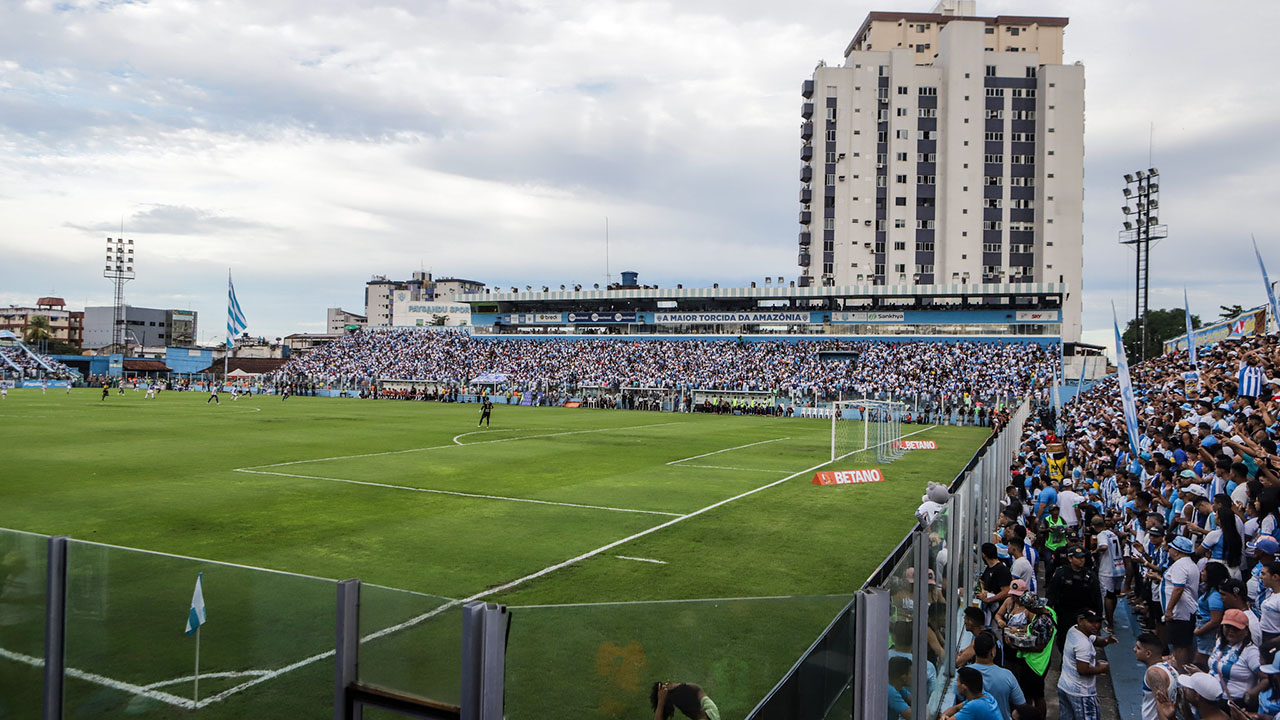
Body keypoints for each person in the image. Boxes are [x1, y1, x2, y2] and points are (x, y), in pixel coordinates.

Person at [1003, 592, 1056, 719]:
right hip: (1039, 662)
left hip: (1036, 664)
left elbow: (1039, 647)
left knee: (1036, 696)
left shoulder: (1043, 622)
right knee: (1032, 694)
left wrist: (1016, 645)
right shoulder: (1048, 612)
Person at [1058, 609, 1115, 720]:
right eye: (1091, 622)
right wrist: (1101, 668)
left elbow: (1095, 639)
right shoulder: (1083, 644)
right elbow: (1083, 670)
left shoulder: (1074, 630)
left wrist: (1106, 641)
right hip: (1081, 694)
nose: (1096, 625)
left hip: (1064, 687)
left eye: (1098, 622)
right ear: (1080, 620)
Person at [1047, 545, 1102, 649]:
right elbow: (1051, 593)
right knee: (1063, 642)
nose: (1082, 560)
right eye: (1078, 557)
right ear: (1070, 559)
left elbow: (1097, 598)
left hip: (1084, 616)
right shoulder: (1061, 573)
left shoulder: (1090, 575)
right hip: (1065, 614)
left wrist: (1098, 619)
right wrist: (1048, 613)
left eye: (1083, 557)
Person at [1206, 609, 1261, 709]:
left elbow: (1266, 678)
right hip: (1212, 698)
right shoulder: (1220, 642)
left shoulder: (1251, 652)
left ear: (1246, 631)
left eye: (1236, 628)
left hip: (1233, 704)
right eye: (1227, 626)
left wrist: (1252, 693)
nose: (1231, 631)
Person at [966, 630, 1025, 718]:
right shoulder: (1007, 676)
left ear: (974, 650)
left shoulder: (964, 675)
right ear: (993, 652)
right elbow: (1021, 705)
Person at [1164, 535, 1202, 667]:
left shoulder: (1180, 565)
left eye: (1171, 548)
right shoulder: (1189, 564)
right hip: (1185, 610)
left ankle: (1181, 671)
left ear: (1176, 551)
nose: (1169, 550)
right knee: (1183, 644)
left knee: (1180, 645)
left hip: (1180, 611)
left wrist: (1169, 609)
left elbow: (1178, 589)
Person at [1135, 632, 1180, 720]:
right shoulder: (1170, 668)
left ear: (1148, 654)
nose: (1134, 649)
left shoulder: (1153, 673)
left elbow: (1163, 709)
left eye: (1138, 648)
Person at [1197, 562, 1232, 663]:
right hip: (1203, 632)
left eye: (1204, 571)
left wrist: (1199, 631)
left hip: (1208, 635)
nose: (1201, 573)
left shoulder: (1215, 596)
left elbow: (1215, 621)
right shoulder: (1210, 591)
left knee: (1202, 661)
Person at [650, 682, 719, 720]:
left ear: (686, 713)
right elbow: (698, 689)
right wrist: (679, 686)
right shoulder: (713, 712)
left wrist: (661, 702)